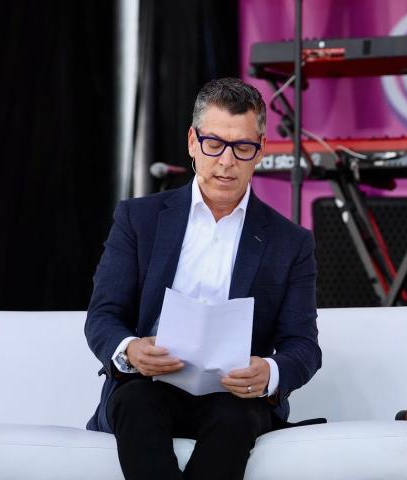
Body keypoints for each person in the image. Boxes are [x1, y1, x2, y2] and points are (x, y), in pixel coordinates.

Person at [84, 77, 321, 480]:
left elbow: (303, 346)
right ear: (193, 142)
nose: (226, 161)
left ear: (260, 150)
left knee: (236, 416)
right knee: (136, 401)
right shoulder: (137, 219)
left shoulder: (291, 242)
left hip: (233, 396)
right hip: (150, 384)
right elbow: (103, 316)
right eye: (214, 143)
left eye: (242, 147)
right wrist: (130, 349)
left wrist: (269, 372)